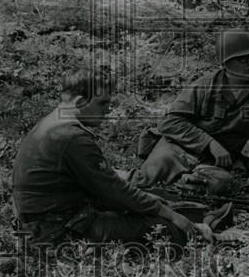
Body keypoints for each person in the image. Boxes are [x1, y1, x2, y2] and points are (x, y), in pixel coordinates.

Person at [12, 69, 212, 246]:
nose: (107, 110)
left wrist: (152, 201)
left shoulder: (53, 122)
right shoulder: (72, 137)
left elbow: (102, 185)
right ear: (81, 102)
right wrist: (168, 214)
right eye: (102, 103)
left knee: (154, 205)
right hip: (56, 230)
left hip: (43, 222)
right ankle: (200, 235)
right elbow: (114, 191)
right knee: (166, 229)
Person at [131, 30, 249, 189]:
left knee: (221, 183)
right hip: (178, 148)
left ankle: (186, 184)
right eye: (243, 59)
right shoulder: (204, 86)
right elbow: (170, 123)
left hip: (218, 160)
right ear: (225, 63)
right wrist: (210, 144)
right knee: (145, 179)